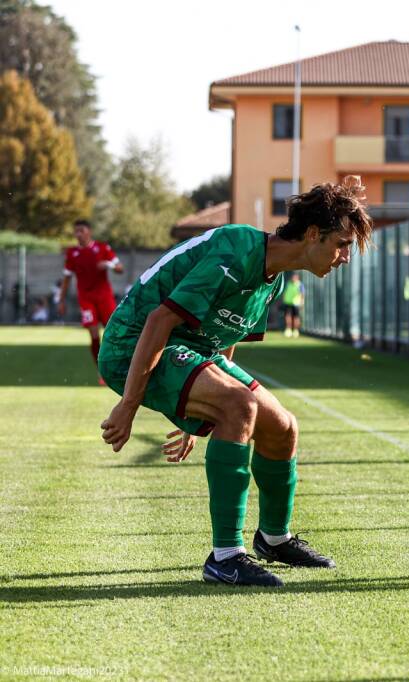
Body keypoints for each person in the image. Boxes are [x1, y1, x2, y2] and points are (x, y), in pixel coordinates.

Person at [97, 178, 373, 587]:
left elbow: (222, 341)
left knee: (283, 427)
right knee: (240, 405)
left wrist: (203, 406)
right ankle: (225, 557)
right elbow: (158, 321)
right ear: (313, 234)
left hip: (188, 350)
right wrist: (128, 406)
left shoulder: (274, 278)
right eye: (342, 244)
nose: (345, 257)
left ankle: (274, 539)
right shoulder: (236, 249)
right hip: (132, 347)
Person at [57, 219, 124, 383]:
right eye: (76, 231)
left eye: (81, 230)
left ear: (89, 232)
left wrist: (108, 264)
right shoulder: (72, 253)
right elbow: (66, 278)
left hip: (104, 297)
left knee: (113, 333)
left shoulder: (103, 248)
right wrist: (61, 300)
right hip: (86, 299)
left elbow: (120, 268)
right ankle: (102, 371)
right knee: (94, 334)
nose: (78, 234)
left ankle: (120, 365)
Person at [281, 273, 305, 337]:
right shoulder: (288, 283)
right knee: (287, 316)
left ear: (298, 278)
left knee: (296, 317)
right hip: (287, 302)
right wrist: (283, 299)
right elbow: (284, 292)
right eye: (293, 277)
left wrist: (302, 303)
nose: (293, 278)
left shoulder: (300, 285)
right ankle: (288, 329)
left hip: (296, 303)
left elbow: (302, 295)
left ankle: (295, 330)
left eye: (295, 277)